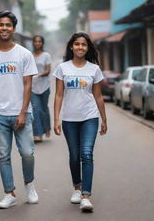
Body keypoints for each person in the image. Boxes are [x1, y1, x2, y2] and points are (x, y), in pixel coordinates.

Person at [0, 10, 39, 209]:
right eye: (1, 25)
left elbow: (28, 85)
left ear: (13, 28)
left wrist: (22, 112)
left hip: (22, 113)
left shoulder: (24, 54)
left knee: (28, 153)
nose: (4, 28)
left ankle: (29, 184)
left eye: (8, 25)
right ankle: (9, 193)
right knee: (3, 155)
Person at [53, 32, 107, 212]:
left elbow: (98, 96)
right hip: (69, 119)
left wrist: (103, 119)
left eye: (84, 45)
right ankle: (77, 186)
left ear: (88, 48)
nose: (80, 47)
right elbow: (59, 95)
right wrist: (56, 119)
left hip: (90, 117)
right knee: (74, 155)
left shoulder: (94, 69)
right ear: (71, 47)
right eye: (77, 44)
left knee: (86, 154)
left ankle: (86, 195)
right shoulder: (62, 68)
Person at [31, 36, 52, 143]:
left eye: (39, 41)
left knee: (44, 109)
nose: (37, 43)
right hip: (33, 88)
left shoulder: (46, 55)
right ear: (33, 43)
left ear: (42, 43)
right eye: (35, 41)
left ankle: (47, 128)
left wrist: (39, 75)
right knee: (36, 110)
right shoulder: (29, 55)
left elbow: (48, 71)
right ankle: (37, 134)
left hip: (44, 87)